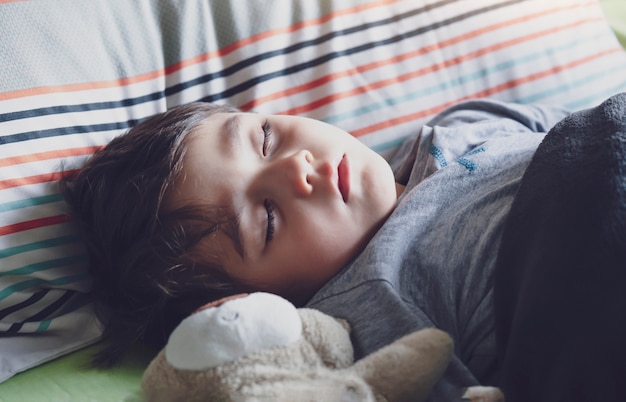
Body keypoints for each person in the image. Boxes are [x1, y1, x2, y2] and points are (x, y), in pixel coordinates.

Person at [61, 94, 626, 401]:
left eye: (264, 138)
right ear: (257, 302)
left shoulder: (452, 129)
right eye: (269, 220)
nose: (294, 170)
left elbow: (575, 121)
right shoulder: (361, 311)